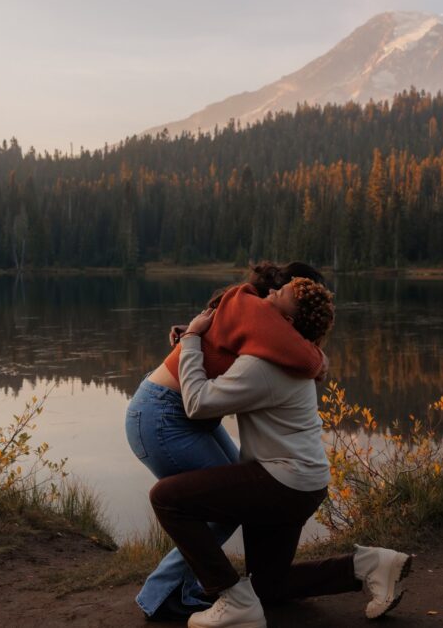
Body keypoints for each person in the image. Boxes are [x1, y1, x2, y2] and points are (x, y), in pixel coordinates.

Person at [150, 278, 412, 628]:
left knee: (167, 499)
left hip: (281, 482)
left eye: (279, 294)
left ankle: (231, 599)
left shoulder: (264, 365)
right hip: (304, 483)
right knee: (268, 585)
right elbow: (240, 349)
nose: (270, 292)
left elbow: (198, 404)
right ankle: (369, 565)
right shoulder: (293, 356)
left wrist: (192, 341)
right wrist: (202, 340)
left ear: (286, 323)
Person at [125, 262, 329, 619]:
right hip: (164, 415)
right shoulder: (259, 312)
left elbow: (291, 348)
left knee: (226, 498)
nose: (282, 294)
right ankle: (162, 596)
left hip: (182, 414)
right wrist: (319, 361)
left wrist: (190, 336)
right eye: (294, 290)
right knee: (221, 505)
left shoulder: (256, 314)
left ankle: (190, 592)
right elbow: (303, 355)